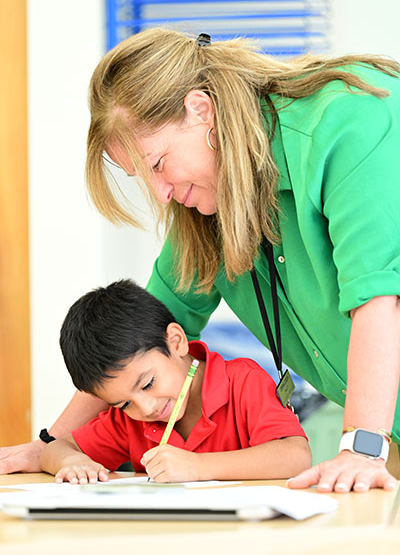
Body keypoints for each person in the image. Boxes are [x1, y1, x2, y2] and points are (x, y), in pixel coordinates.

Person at [2, 28, 400, 493]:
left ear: (200, 109)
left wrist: (361, 447)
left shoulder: (348, 121)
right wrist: (52, 442)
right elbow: (141, 332)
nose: (161, 194)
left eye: (156, 164)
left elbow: (378, 296)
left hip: (372, 439)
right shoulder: (207, 207)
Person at [40, 279, 310, 484]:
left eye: (147, 384)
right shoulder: (130, 419)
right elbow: (56, 448)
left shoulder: (242, 381)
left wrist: (198, 466)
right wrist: (73, 461)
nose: (145, 408)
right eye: (123, 403)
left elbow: (296, 457)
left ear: (176, 342)